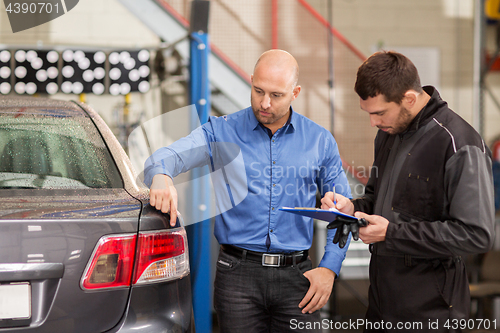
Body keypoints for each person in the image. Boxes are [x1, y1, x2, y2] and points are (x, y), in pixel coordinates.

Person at [144, 49, 352, 332]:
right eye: (258, 91)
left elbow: (344, 212)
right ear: (251, 81)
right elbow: (166, 156)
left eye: (276, 95)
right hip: (237, 277)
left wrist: (329, 268)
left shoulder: (319, 141)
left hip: (297, 279)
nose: (264, 103)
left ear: (295, 92)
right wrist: (160, 174)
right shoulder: (220, 131)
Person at [321, 51, 495, 332]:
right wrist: (352, 208)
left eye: (379, 113)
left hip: (432, 312)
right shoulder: (389, 134)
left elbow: (477, 234)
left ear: (409, 99)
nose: (373, 123)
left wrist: (391, 234)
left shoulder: (459, 144)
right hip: (381, 305)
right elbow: (378, 199)